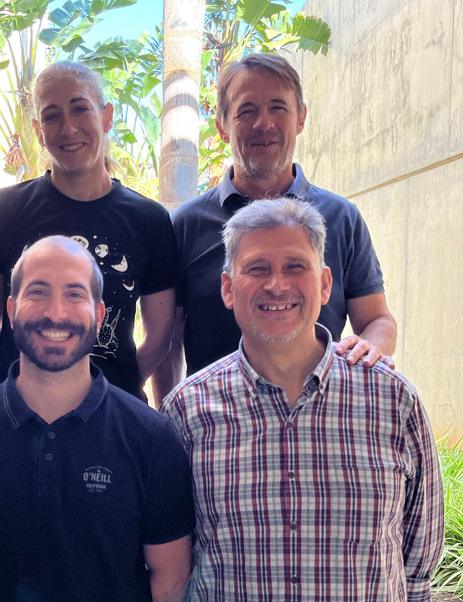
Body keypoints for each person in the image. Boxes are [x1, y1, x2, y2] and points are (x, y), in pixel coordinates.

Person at [161, 198, 443, 601]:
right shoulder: (187, 412)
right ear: (227, 288)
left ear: (325, 283)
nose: (277, 285)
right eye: (257, 268)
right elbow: (173, 561)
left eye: (295, 266)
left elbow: (418, 559)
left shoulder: (393, 402)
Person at [0, 236, 194, 602]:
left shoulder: (152, 438)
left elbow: (171, 578)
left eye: (74, 294)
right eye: (37, 292)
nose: (56, 312)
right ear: (11, 309)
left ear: (99, 315)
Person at [155, 52, 396, 395]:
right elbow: (168, 340)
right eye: (247, 110)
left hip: (323, 422)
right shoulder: (185, 226)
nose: (263, 124)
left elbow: (376, 319)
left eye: (278, 107)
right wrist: (170, 420)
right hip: (220, 430)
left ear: (301, 118)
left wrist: (369, 350)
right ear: (223, 126)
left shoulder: (342, 219)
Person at [0, 60, 177, 401]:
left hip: (112, 414)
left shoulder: (149, 219)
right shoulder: (3, 209)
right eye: (52, 116)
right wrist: (33, 381)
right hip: (20, 413)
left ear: (106, 117)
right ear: (38, 131)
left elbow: (160, 335)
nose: (68, 127)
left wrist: (113, 389)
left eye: (80, 109)